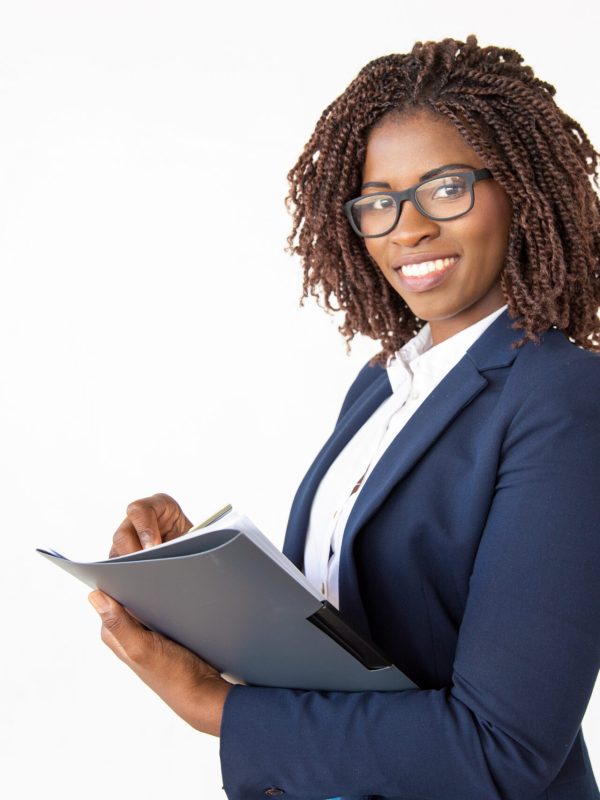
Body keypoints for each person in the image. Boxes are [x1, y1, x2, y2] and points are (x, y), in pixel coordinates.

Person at [88, 35, 600, 800]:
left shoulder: (563, 397)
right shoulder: (382, 389)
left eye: (447, 188)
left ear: (521, 194)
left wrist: (217, 708)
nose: (408, 227)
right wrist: (199, 576)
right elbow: (349, 640)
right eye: (379, 203)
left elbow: (502, 749)